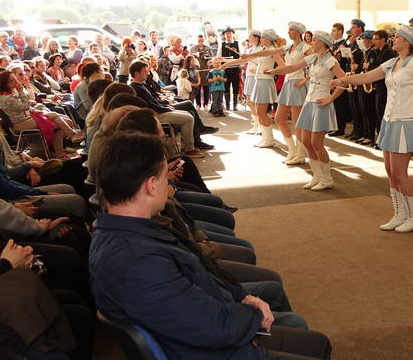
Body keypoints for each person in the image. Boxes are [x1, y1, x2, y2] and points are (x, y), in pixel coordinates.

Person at [89, 132, 333, 360]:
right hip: (219, 349)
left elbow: (196, 280)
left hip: (213, 329)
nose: (167, 183)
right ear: (151, 185)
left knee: (314, 341)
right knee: (315, 343)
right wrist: (254, 313)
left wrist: (242, 295)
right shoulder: (136, 261)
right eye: (164, 176)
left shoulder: (125, 230)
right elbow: (217, 328)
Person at [332, 25, 413, 231]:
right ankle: (400, 214)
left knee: (400, 173)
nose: (393, 39)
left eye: (397, 37)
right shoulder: (392, 62)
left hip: (404, 122)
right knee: (390, 171)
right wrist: (343, 79)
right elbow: (367, 77)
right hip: (389, 120)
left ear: (407, 41)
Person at [268, 31, 346, 191]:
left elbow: (344, 81)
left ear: (323, 43)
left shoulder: (330, 60)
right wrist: (274, 71)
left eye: (315, 40)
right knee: (306, 142)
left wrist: (330, 99)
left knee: (317, 144)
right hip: (309, 103)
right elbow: (292, 67)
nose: (311, 42)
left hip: (321, 104)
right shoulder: (312, 58)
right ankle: (317, 176)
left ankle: (327, 179)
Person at [128, 60, 205, 158]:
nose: (148, 73)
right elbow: (150, 105)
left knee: (188, 114)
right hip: (153, 115)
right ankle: (189, 149)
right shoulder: (136, 87)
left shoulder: (141, 85)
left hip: (157, 111)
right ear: (136, 73)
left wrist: (166, 107)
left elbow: (154, 102)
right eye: (145, 71)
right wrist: (167, 108)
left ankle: (186, 146)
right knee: (188, 118)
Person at [274, 22, 310, 164]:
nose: (288, 32)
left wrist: (305, 79)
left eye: (291, 30)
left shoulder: (305, 47)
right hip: (287, 83)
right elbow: (272, 55)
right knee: (278, 118)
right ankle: (292, 150)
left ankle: (300, 155)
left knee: (297, 122)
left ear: (298, 32)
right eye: (288, 30)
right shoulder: (289, 47)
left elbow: (316, 63)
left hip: (297, 83)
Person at [190, 34, 215, 109]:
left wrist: (207, 57)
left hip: (205, 70)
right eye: (199, 40)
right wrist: (195, 55)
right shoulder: (193, 48)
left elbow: (212, 58)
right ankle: (198, 104)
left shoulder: (208, 48)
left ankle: (206, 104)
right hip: (196, 70)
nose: (200, 42)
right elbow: (190, 58)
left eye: (201, 40)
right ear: (197, 40)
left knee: (206, 87)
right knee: (197, 87)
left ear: (204, 40)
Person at [220, 28, 242, 111]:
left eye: (230, 33)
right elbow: (219, 56)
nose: (228, 35)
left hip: (235, 68)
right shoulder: (222, 44)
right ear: (224, 35)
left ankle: (235, 105)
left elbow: (241, 55)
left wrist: (240, 66)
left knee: (235, 86)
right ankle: (227, 105)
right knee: (226, 86)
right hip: (225, 69)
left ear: (233, 34)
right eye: (226, 34)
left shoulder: (237, 44)